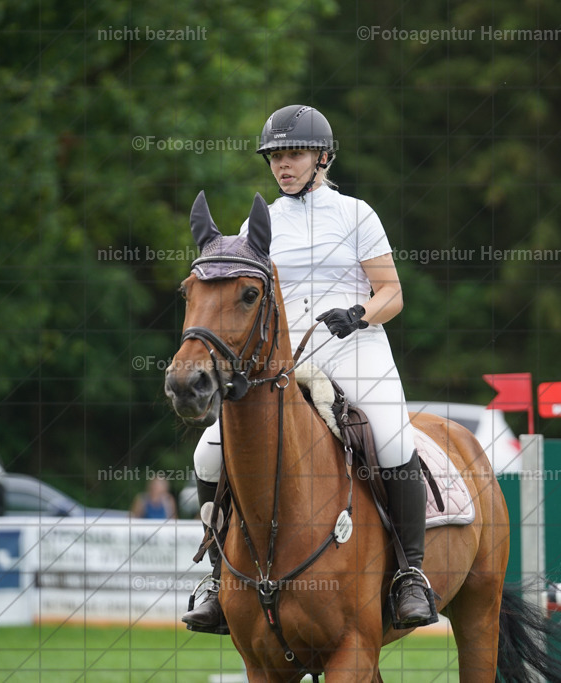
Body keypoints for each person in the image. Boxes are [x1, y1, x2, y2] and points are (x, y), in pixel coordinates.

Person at [181, 105, 437, 634]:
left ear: (323, 158)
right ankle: (216, 575)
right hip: (288, 359)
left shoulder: (356, 214)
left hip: (354, 348)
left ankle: (410, 573)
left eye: (294, 154)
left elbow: (392, 292)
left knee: (392, 438)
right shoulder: (260, 223)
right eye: (275, 156)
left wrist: (358, 313)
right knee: (208, 452)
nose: (283, 165)